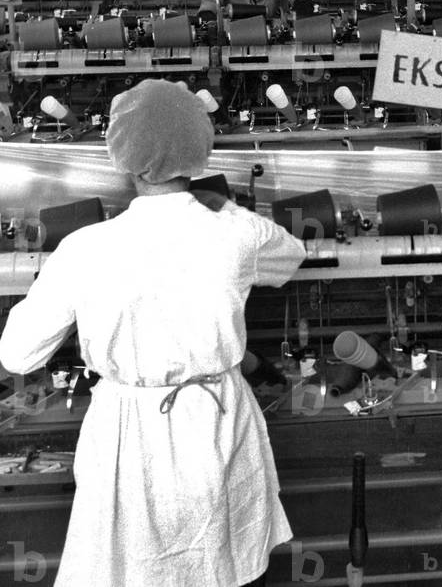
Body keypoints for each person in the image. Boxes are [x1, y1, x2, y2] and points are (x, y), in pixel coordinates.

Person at [0, 79, 307, 587]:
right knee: (219, 565)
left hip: (128, 435)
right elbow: (291, 257)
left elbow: (17, 355)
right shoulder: (238, 232)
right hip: (217, 420)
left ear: (123, 155)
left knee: (131, 568)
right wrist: (223, 207)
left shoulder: (84, 247)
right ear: (199, 151)